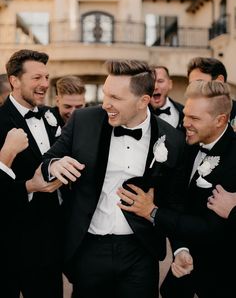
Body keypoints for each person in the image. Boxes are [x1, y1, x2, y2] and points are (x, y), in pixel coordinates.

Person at [41, 59, 186, 298]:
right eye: (106, 94)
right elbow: (48, 159)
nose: (106, 103)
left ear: (143, 101)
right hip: (89, 247)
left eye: (116, 98)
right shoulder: (84, 121)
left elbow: (175, 201)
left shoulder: (172, 140)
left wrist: (179, 245)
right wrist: (56, 164)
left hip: (140, 250)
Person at [118, 80, 236, 298]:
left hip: (222, 281)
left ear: (220, 120)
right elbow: (177, 203)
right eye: (186, 114)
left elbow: (213, 229)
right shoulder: (186, 145)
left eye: (194, 118)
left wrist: (153, 213)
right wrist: (180, 248)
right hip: (182, 276)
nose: (185, 122)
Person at [0, 49, 63, 298]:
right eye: (36, 78)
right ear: (15, 80)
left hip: (49, 244)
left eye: (46, 77)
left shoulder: (51, 118)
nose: (45, 84)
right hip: (8, 244)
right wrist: (29, 186)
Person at [187, 56, 236, 125]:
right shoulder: (187, 116)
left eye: (199, 82)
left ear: (219, 80)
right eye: (191, 85)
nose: (194, 89)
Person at [149, 65, 184, 130]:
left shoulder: (183, 112)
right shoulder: (137, 113)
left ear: (170, 84)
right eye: (151, 82)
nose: (155, 87)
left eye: (160, 81)